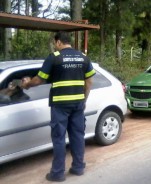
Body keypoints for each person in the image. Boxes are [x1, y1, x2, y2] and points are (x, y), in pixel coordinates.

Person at [21, 31, 95, 182]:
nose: (55, 46)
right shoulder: (83, 57)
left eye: (55, 44)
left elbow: (40, 79)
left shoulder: (54, 57)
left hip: (60, 105)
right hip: (78, 103)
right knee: (77, 136)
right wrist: (84, 99)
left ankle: (58, 173)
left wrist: (27, 84)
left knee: (59, 138)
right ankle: (78, 167)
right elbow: (89, 82)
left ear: (58, 42)